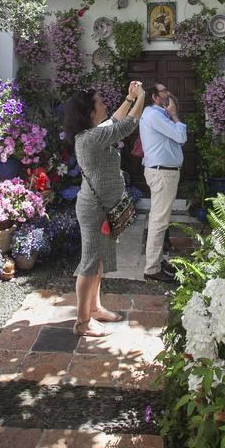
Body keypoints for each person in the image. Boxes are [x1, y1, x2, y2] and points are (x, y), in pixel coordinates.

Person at [64, 80, 145, 337]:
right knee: (89, 262)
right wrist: (142, 97)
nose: (105, 105)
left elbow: (113, 121)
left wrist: (130, 99)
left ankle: (96, 308)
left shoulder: (95, 133)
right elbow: (128, 125)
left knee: (97, 261)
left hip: (101, 206)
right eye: (100, 102)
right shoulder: (90, 138)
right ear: (88, 111)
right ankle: (82, 322)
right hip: (94, 209)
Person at [139, 83, 187, 282]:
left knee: (159, 219)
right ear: (154, 96)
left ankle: (158, 260)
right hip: (162, 174)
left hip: (162, 172)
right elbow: (181, 136)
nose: (168, 93)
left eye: (168, 90)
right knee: (159, 221)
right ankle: (151, 269)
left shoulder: (157, 115)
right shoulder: (155, 115)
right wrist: (175, 115)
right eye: (163, 91)